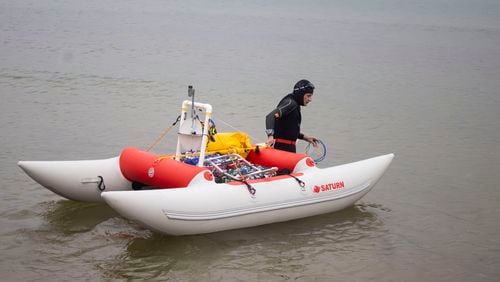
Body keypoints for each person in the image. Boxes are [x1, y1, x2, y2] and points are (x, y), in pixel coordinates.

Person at [265, 79, 318, 153]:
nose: (310, 99)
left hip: (288, 148)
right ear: (300, 94)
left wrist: (305, 137)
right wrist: (270, 136)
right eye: (308, 96)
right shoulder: (290, 103)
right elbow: (270, 116)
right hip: (281, 149)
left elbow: (289, 129)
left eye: (311, 96)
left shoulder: (295, 105)